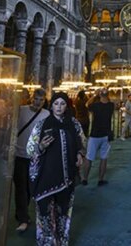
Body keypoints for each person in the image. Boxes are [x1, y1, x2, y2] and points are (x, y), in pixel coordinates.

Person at [27, 92, 85, 246]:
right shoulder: (42, 125)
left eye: (62, 104)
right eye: (56, 103)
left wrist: (79, 153)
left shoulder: (74, 124)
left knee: (63, 212)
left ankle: (61, 240)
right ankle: (47, 242)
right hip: (47, 175)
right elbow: (30, 149)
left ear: (67, 106)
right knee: (45, 212)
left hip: (66, 177)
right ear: (51, 105)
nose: (59, 107)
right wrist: (41, 146)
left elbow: (81, 141)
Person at [13, 89, 49, 233]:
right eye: (36, 99)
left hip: (35, 156)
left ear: (44, 101)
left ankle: (21, 212)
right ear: (31, 99)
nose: (37, 102)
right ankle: (23, 217)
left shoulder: (46, 114)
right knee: (20, 187)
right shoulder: (21, 111)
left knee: (29, 188)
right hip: (19, 154)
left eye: (41, 100)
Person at [82, 88, 114, 186]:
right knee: (104, 158)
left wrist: (95, 95)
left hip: (95, 135)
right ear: (108, 95)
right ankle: (100, 180)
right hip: (106, 135)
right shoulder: (111, 106)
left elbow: (87, 104)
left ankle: (85, 179)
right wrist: (104, 94)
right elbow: (111, 101)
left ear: (100, 95)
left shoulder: (95, 106)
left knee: (89, 157)